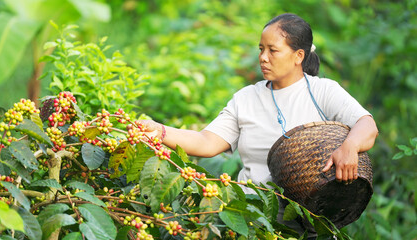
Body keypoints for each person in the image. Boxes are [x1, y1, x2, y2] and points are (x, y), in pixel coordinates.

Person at [139, 13, 378, 237]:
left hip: (306, 229)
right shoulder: (246, 99)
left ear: (299, 56)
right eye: (261, 49)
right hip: (251, 223)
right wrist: (159, 131)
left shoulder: (322, 91)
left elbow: (367, 126)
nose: (263, 57)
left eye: (273, 50)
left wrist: (349, 147)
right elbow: (207, 142)